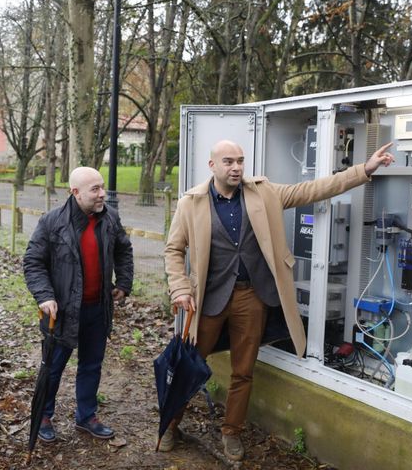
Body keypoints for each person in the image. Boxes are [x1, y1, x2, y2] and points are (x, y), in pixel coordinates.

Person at [162, 140, 394, 460]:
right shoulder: (192, 203)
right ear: (212, 166)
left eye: (240, 161)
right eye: (228, 161)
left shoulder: (263, 192)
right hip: (209, 299)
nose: (236, 167)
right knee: (189, 367)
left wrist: (363, 170)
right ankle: (171, 424)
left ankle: (232, 432)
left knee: (243, 371)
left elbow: (312, 189)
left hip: (250, 296)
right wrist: (180, 287)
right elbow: (174, 250)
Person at [23, 167, 134, 442]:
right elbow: (32, 262)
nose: (102, 195)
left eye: (102, 187)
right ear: (75, 193)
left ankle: (86, 416)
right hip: (61, 312)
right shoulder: (52, 223)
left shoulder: (110, 218)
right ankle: (45, 415)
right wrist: (44, 296)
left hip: (98, 308)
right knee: (53, 366)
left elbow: (123, 249)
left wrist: (123, 282)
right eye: (95, 189)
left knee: (91, 364)